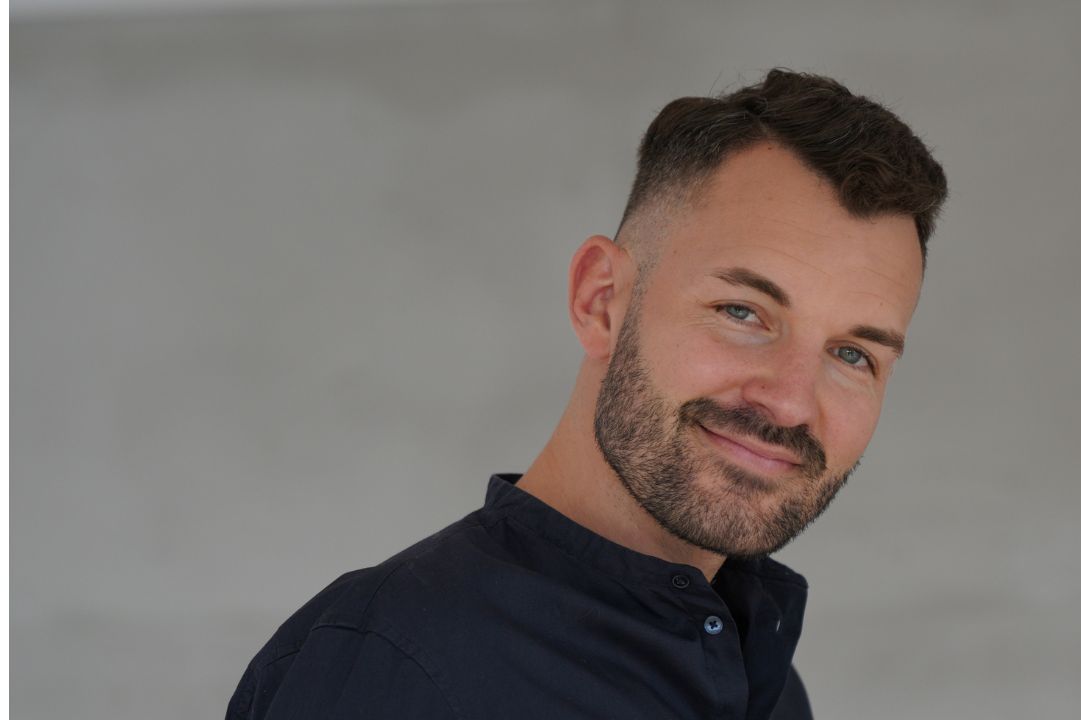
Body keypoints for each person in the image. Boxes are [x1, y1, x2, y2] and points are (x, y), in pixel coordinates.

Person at [226, 68, 947, 720]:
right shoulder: (397, 669)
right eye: (742, 312)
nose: (790, 403)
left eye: (853, 354)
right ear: (601, 300)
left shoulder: (769, 689)